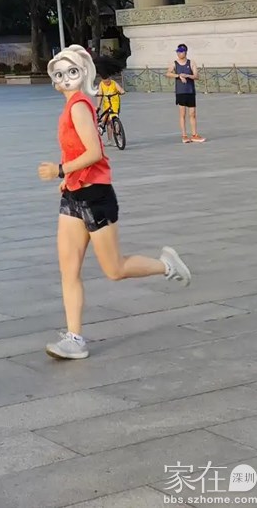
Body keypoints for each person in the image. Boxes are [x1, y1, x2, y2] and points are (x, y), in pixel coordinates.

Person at [38, 44, 191, 360]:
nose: (64, 78)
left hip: (96, 197)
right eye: (59, 73)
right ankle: (75, 338)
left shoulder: (79, 106)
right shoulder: (70, 107)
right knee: (68, 270)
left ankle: (166, 266)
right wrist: (69, 178)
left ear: (83, 74)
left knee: (115, 269)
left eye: (71, 72)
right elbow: (78, 150)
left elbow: (95, 152)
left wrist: (60, 170)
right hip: (74, 196)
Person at [166, 43, 205, 143]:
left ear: (185, 52)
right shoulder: (174, 63)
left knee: (192, 113)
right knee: (182, 114)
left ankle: (194, 134)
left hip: (190, 91)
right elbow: (168, 73)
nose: (179, 54)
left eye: (181, 52)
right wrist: (179, 76)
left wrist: (187, 75)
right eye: (178, 52)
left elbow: (196, 76)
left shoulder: (191, 62)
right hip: (181, 92)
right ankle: (184, 135)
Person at [97, 71, 124, 142]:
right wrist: (98, 106)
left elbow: (120, 89)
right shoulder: (101, 84)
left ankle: (118, 135)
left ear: (110, 78)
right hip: (106, 104)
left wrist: (121, 91)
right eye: (105, 82)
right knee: (107, 121)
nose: (107, 83)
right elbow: (100, 95)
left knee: (114, 119)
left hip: (115, 104)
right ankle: (109, 139)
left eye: (108, 81)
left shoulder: (114, 83)